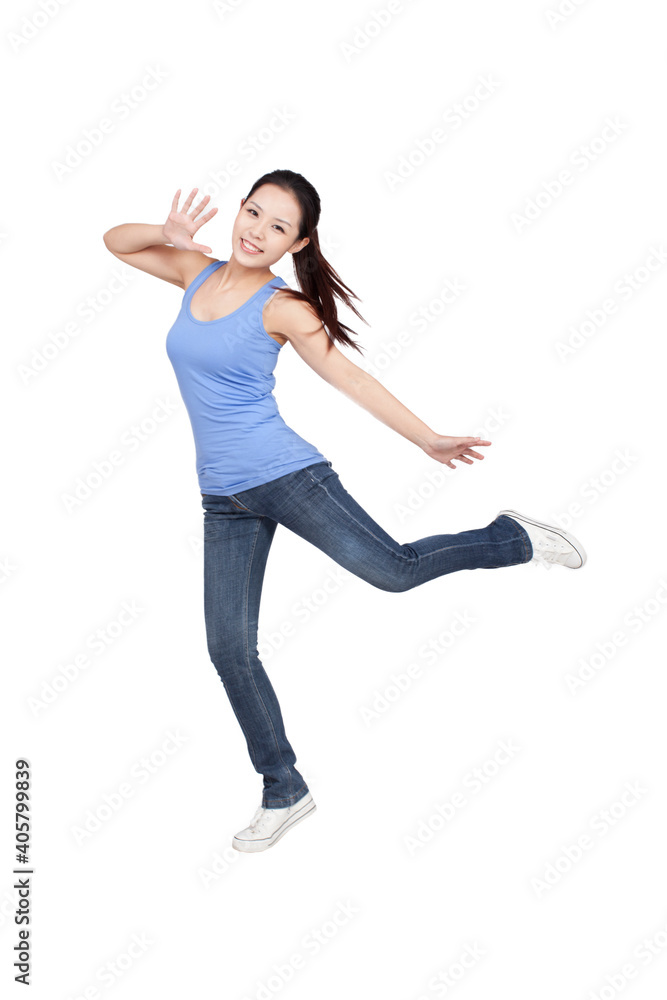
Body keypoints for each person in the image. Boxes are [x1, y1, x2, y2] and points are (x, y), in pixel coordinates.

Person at [103, 169, 586, 854]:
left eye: (276, 227)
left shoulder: (284, 307)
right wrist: (165, 232)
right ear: (237, 212)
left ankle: (510, 539)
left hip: (286, 475)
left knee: (392, 571)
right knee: (228, 648)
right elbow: (115, 242)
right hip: (222, 497)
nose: (256, 231)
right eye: (252, 212)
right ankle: (283, 788)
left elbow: (350, 378)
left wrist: (426, 437)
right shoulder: (194, 271)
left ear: (295, 243)